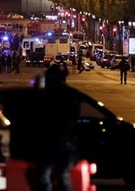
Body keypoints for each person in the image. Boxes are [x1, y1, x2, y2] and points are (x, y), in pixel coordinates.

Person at [34, 62, 80, 191]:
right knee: (63, 175)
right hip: (64, 141)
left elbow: (36, 114)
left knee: (43, 175)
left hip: (50, 140)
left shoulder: (46, 95)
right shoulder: (71, 94)